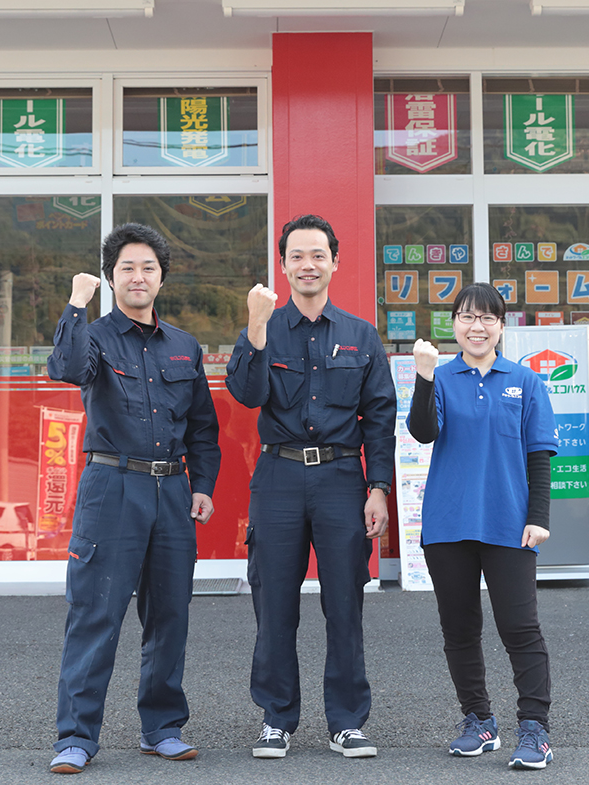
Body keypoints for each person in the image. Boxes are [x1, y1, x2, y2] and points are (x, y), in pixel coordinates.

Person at [46, 223, 221, 775]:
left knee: (169, 616)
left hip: (172, 491)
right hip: (112, 487)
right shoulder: (94, 336)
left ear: (161, 277)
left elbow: (203, 427)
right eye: (127, 267)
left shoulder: (184, 346)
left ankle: (162, 728)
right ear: (111, 277)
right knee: (95, 613)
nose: (138, 276)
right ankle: (76, 737)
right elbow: (67, 369)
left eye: (148, 267)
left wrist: (202, 485)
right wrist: (76, 305)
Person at [226, 214, 397, 759]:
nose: (308, 265)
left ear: (335, 262)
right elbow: (245, 394)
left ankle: (346, 721)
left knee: (344, 602)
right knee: (274, 602)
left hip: (342, 479)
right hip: (278, 476)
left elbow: (380, 417)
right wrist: (255, 327)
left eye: (318, 255)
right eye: (296, 256)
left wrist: (378, 487)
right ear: (283, 265)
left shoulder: (360, 335)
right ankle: (276, 718)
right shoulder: (265, 327)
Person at [405, 282, 560, 770]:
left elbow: (539, 455)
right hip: (448, 522)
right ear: (454, 324)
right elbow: (423, 432)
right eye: (468, 317)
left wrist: (539, 517)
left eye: (488, 318)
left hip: (509, 523)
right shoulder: (440, 377)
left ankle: (534, 729)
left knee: (520, 628)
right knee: (459, 628)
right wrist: (424, 377)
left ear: (501, 326)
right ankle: (479, 720)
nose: (477, 326)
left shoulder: (525, 381)